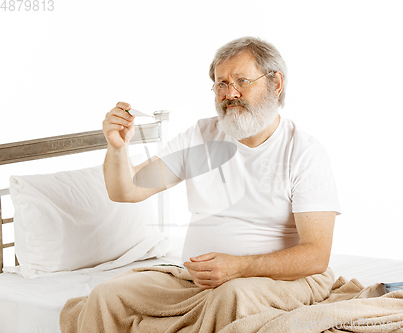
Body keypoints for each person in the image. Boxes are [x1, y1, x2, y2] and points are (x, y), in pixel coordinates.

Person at [60, 36, 341, 332]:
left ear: (276, 84)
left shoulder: (305, 152)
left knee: (232, 297)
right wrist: (117, 148)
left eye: (242, 81)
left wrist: (239, 267)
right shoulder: (201, 136)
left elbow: (317, 255)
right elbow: (125, 191)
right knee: (107, 296)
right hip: (196, 281)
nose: (230, 93)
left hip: (282, 282)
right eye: (221, 84)